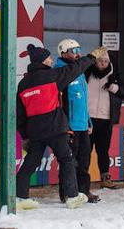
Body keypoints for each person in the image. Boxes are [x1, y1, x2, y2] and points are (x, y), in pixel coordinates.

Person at [15, 43, 102, 210]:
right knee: (67, 160)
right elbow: (75, 68)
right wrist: (91, 58)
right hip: (55, 128)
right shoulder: (53, 76)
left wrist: (25, 135)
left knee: (30, 163)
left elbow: (20, 115)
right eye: (48, 57)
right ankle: (72, 196)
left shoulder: (23, 84)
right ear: (43, 61)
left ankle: (20, 197)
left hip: (35, 131)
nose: (51, 59)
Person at [54, 39, 96, 205]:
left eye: (79, 49)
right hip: (69, 126)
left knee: (84, 160)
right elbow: (60, 103)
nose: (78, 53)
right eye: (73, 50)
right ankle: (67, 193)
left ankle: (83, 192)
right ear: (63, 53)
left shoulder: (78, 71)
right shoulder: (60, 72)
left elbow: (82, 101)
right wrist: (65, 126)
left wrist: (88, 121)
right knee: (69, 162)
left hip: (82, 125)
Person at [86, 47, 124, 189]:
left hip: (105, 118)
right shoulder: (87, 74)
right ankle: (82, 179)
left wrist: (114, 88)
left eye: (105, 61)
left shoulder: (114, 75)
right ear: (95, 62)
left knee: (103, 150)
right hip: (88, 119)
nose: (103, 63)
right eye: (100, 61)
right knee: (85, 150)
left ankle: (105, 177)